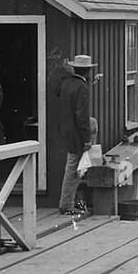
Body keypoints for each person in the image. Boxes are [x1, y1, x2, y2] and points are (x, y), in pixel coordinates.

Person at [56, 54, 95, 216]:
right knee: (73, 168)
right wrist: (87, 140)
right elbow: (82, 117)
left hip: (64, 128)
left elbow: (58, 91)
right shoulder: (82, 88)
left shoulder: (66, 83)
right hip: (76, 133)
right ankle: (66, 204)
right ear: (88, 71)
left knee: (73, 166)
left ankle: (67, 202)